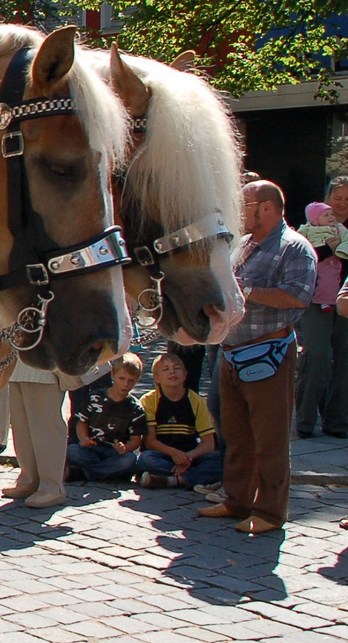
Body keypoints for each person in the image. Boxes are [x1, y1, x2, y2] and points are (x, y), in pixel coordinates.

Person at [200, 180, 315, 534]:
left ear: (265, 207)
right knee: (235, 433)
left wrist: (244, 290)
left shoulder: (295, 247)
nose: (238, 211)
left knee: (269, 438)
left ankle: (268, 511)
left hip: (270, 354)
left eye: (244, 204)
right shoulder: (244, 245)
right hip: (232, 352)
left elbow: (297, 297)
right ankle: (237, 500)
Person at [295, 180, 348, 437]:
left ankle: (337, 421)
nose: (342, 204)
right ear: (328, 197)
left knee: (345, 361)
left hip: (346, 301)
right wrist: (331, 248)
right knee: (316, 356)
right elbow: (303, 257)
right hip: (317, 300)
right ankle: (305, 421)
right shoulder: (311, 225)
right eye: (338, 198)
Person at [137, 351, 224, 488]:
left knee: (220, 460)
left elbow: (208, 444)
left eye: (177, 368)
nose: (172, 372)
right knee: (145, 459)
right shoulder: (149, 400)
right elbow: (150, 441)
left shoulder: (198, 401)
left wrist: (187, 457)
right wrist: (175, 454)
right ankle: (191, 477)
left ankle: (174, 480)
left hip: (190, 454)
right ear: (157, 378)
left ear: (185, 375)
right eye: (166, 369)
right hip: (163, 454)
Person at [66, 353, 147, 482]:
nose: (125, 384)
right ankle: (109, 472)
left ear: (137, 380)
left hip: (115, 452)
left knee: (130, 460)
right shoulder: (95, 397)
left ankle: (83, 474)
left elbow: (136, 440)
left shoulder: (135, 408)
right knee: (72, 451)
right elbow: (82, 423)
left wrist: (125, 448)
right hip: (93, 449)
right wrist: (83, 438)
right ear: (113, 375)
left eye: (131, 380)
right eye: (121, 378)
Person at [3, 360, 68, 509]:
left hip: (45, 365)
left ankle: (52, 487)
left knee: (46, 428)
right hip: (17, 366)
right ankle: (29, 480)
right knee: (21, 429)